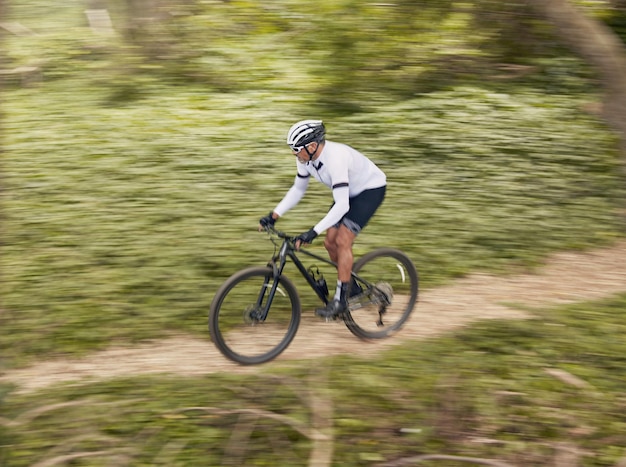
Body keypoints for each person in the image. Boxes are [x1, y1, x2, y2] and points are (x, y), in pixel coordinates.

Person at [259, 120, 387, 318]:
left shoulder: (335, 158)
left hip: (369, 190)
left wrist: (313, 231)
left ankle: (340, 300)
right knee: (329, 243)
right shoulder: (305, 158)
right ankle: (351, 287)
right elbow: (298, 189)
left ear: (311, 146)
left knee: (343, 240)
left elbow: (342, 205)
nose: (294, 153)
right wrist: (274, 215)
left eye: (296, 149)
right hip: (347, 193)